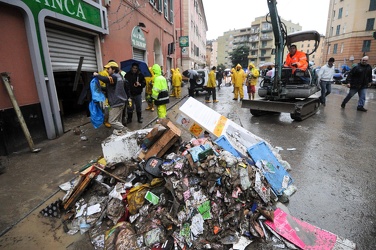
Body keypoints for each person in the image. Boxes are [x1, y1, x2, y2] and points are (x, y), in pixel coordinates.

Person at [93, 61, 128, 135]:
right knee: (117, 121)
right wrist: (100, 88)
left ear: (113, 69)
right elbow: (109, 89)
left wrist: (97, 75)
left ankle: (127, 131)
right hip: (119, 102)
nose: (107, 70)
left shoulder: (115, 76)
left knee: (112, 121)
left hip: (116, 103)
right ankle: (121, 134)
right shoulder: (118, 77)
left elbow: (106, 79)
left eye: (109, 68)